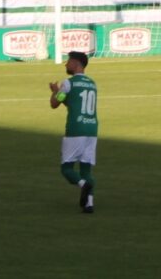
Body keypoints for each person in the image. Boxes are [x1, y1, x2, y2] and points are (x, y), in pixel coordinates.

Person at [50, 50, 98, 214]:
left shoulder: (68, 83)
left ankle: (83, 185)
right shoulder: (92, 84)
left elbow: (55, 103)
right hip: (91, 129)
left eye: (68, 61)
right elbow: (74, 102)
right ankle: (89, 204)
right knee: (86, 170)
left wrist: (55, 91)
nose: (66, 64)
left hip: (76, 130)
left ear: (77, 63)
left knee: (67, 168)